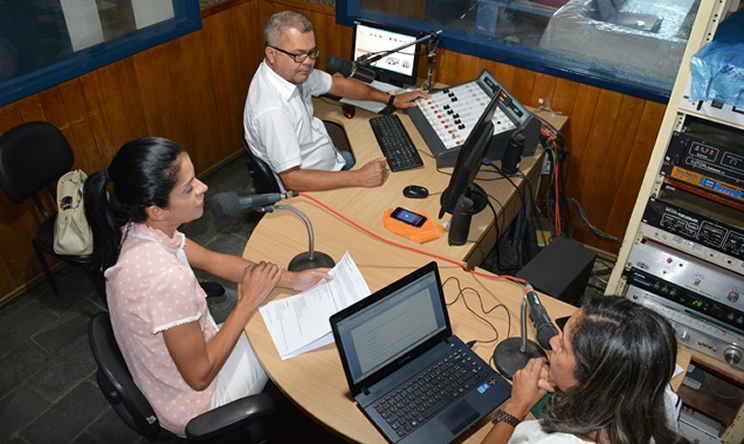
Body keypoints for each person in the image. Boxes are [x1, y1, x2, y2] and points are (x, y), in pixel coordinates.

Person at [84, 137, 331, 437]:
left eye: (195, 178)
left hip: (182, 364)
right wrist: (247, 303)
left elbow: (214, 261)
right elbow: (199, 376)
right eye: (188, 189)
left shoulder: (141, 231)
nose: (203, 188)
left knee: (275, 312)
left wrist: (290, 279)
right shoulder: (162, 278)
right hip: (198, 403)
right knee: (290, 342)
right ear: (156, 210)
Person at [243, 10, 429, 192]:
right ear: (272, 54)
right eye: (298, 54)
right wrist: (359, 177)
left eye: (312, 53)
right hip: (310, 184)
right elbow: (292, 180)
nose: (308, 62)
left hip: (329, 160)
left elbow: (339, 86)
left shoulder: (291, 72)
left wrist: (391, 99)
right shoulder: (272, 110)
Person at [483, 295, 684, 444]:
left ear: (591, 378)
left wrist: (516, 408)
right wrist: (567, 388)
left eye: (563, 346)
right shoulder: (652, 388)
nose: (553, 341)